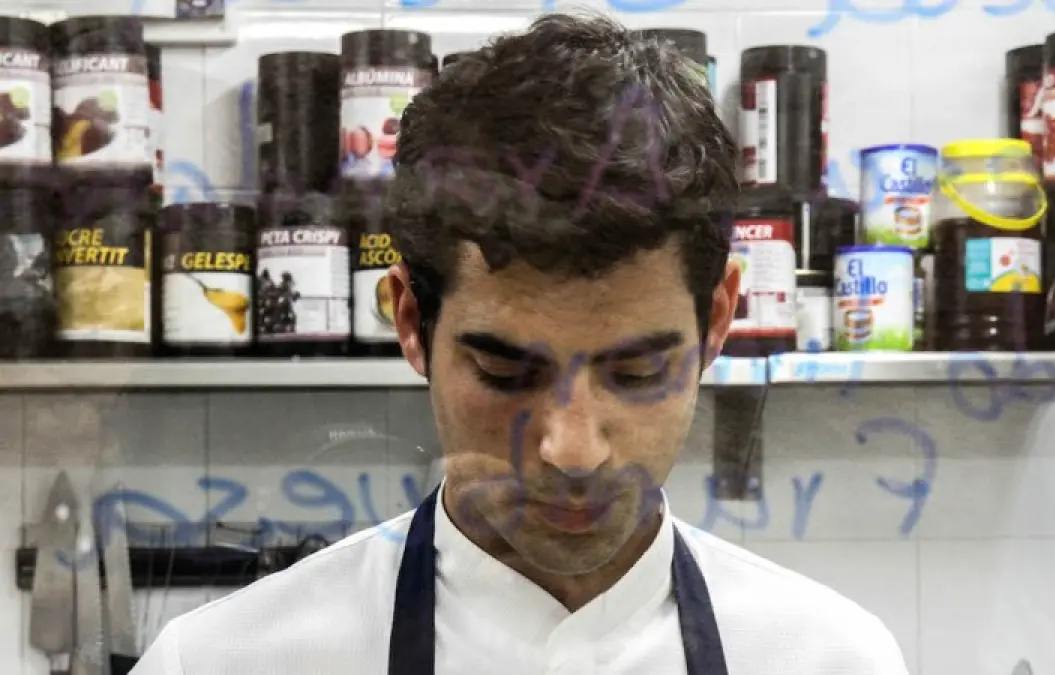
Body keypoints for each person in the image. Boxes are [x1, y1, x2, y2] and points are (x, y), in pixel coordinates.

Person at [131, 13, 909, 675]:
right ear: (412, 322)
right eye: (505, 371)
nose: (573, 450)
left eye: (638, 370)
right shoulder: (220, 662)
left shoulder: (831, 658)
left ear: (717, 322)